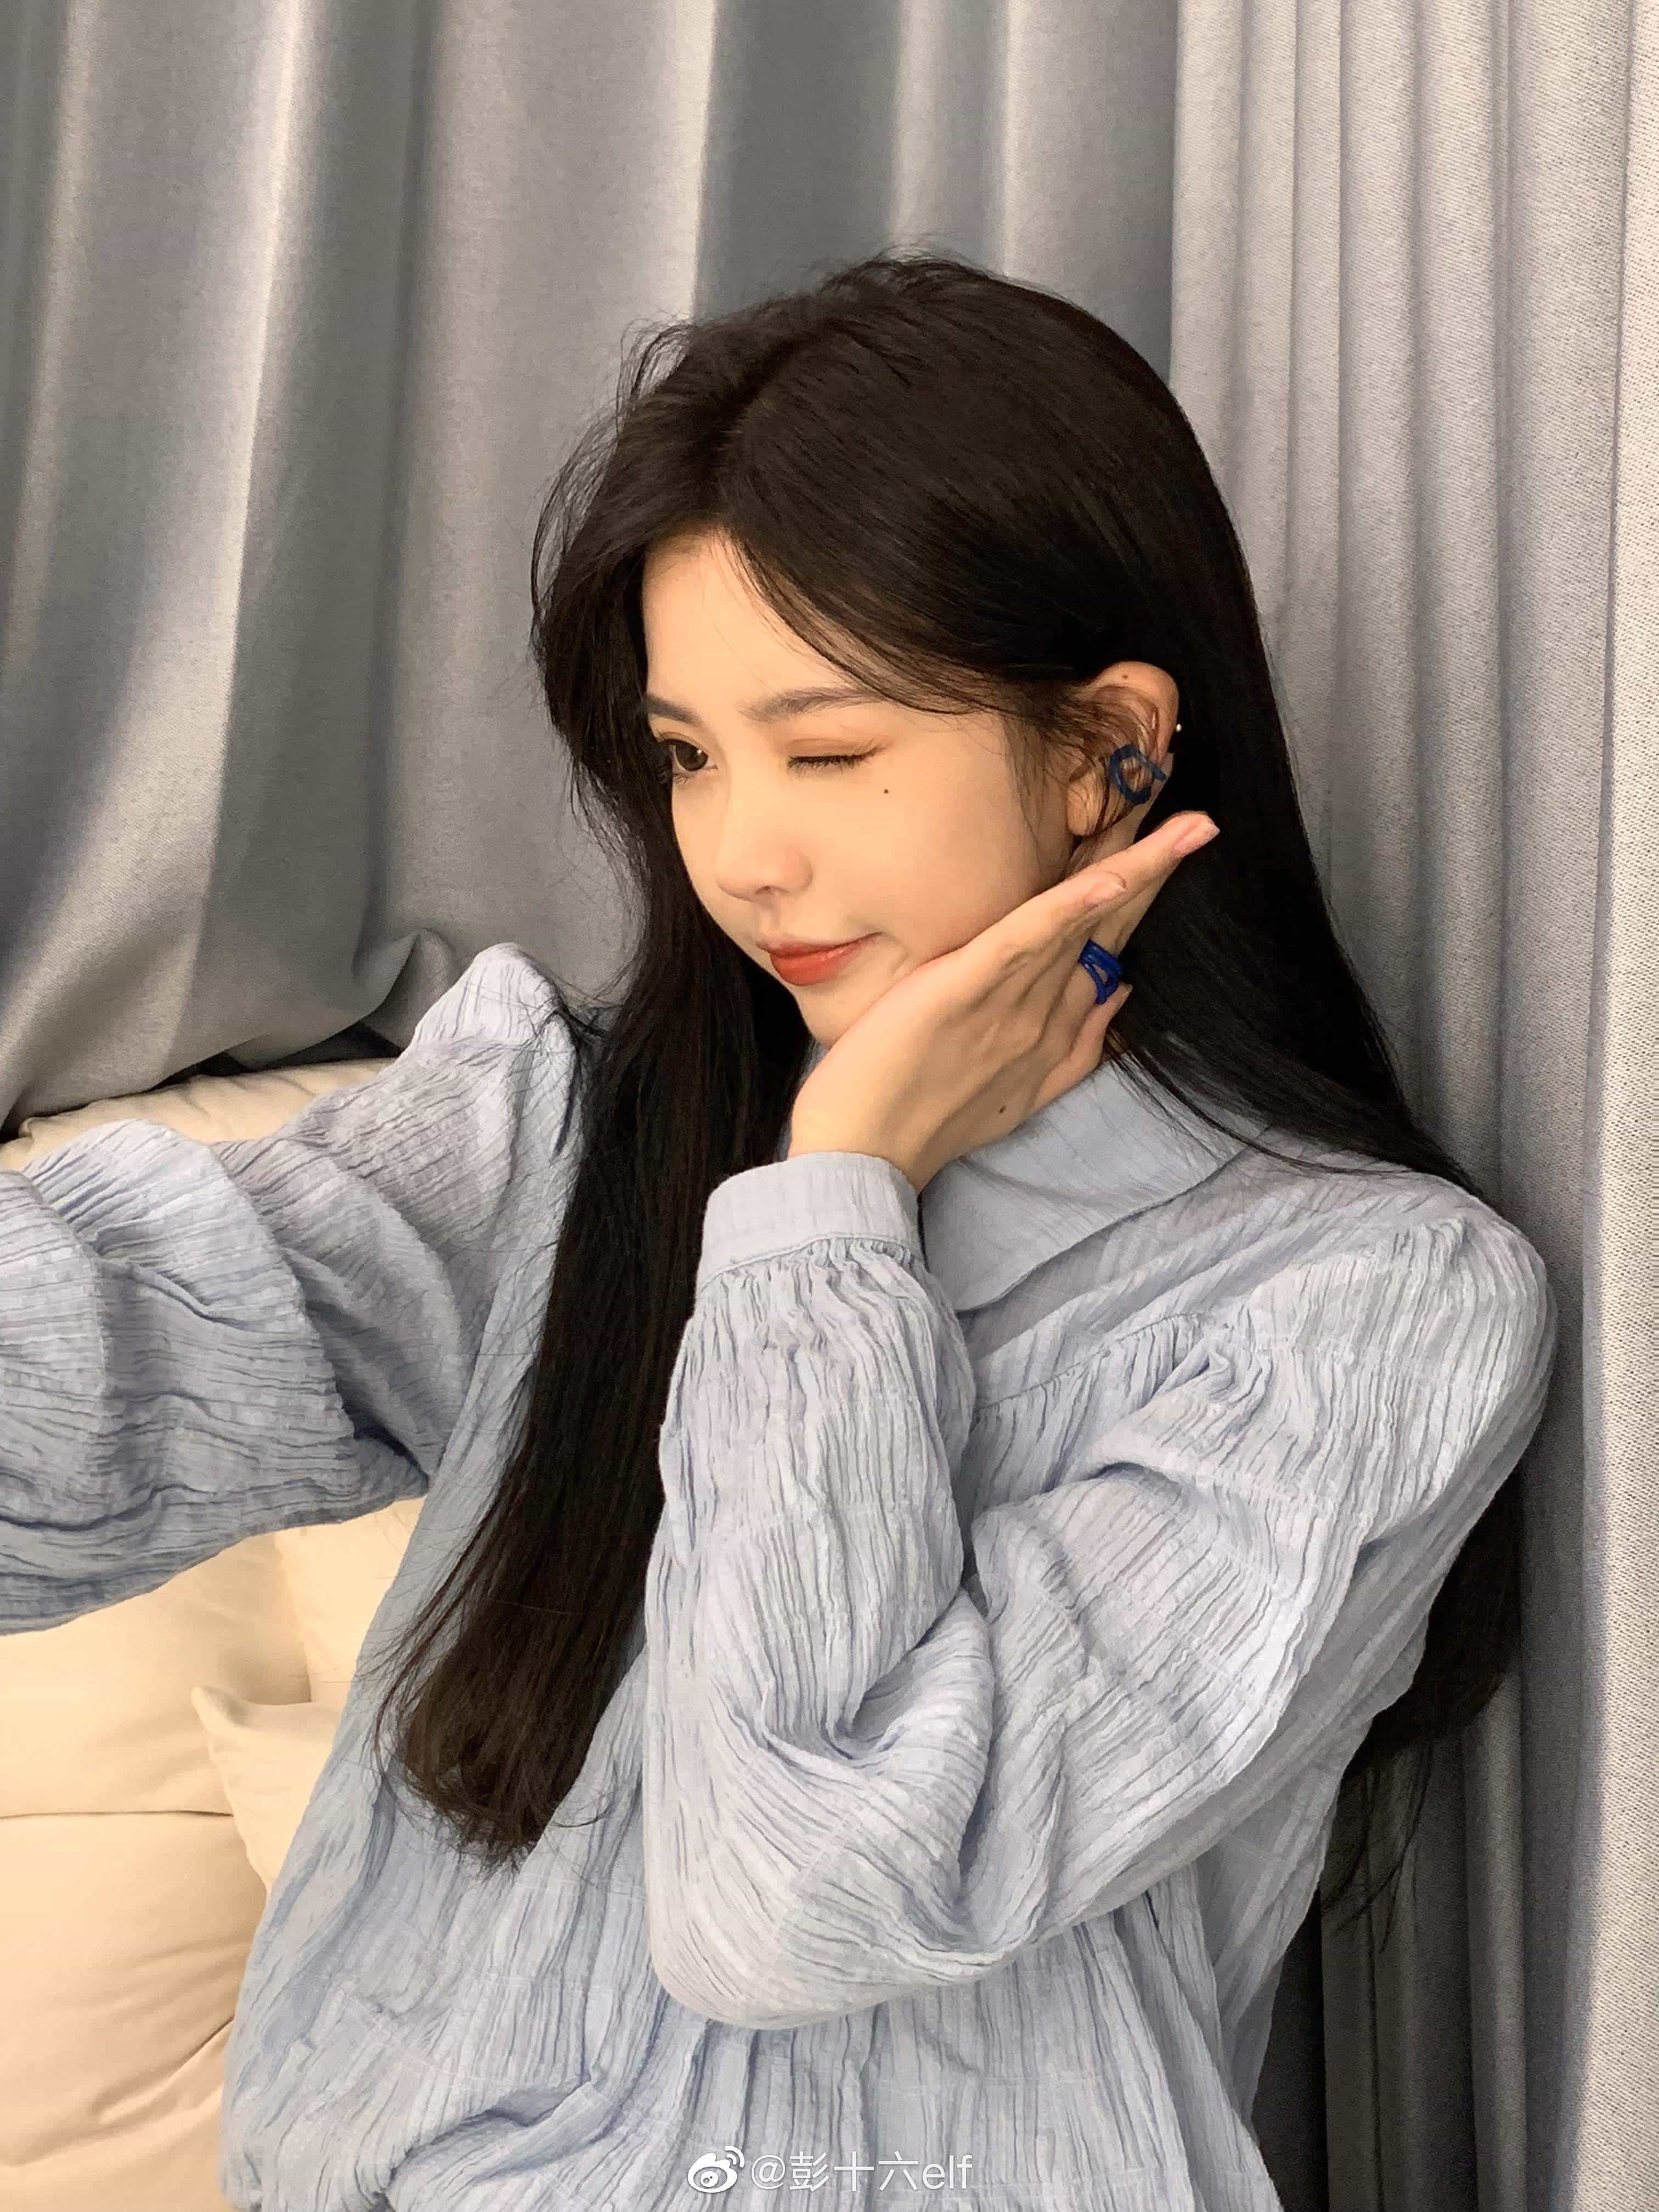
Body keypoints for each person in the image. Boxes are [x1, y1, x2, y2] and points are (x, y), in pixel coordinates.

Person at [0, 251, 1557, 2211]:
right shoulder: (565, 1136)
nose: (742, 852)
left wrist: (836, 1207)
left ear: (1111, 749)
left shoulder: (1362, 1304)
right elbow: (95, 1372)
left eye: (827, 752)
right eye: (687, 755)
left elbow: (807, 1896)